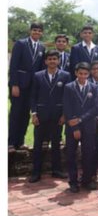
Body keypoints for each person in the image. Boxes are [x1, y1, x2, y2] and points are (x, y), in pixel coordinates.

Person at [28, 48, 67, 182]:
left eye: (55, 59)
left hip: (57, 116)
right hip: (41, 115)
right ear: (45, 61)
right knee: (38, 144)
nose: (52, 61)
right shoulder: (38, 76)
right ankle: (36, 172)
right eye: (49, 59)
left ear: (59, 60)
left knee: (56, 144)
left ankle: (56, 170)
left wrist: (64, 115)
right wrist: (34, 113)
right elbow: (33, 96)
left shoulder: (65, 76)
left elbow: (67, 98)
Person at [62, 63, 98, 192]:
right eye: (80, 74)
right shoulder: (69, 87)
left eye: (85, 74)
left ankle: (86, 180)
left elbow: (95, 108)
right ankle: (73, 181)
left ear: (89, 74)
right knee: (71, 154)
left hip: (89, 126)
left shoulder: (93, 87)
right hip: (72, 127)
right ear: (76, 73)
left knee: (88, 154)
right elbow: (67, 108)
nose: (83, 76)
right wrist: (75, 127)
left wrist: (81, 119)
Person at [9, 19, 45, 150]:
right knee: (16, 113)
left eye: (39, 31)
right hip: (19, 85)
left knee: (25, 114)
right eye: (34, 30)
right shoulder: (21, 43)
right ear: (30, 31)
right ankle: (11, 142)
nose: (37, 32)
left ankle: (20, 141)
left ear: (42, 33)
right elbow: (13, 65)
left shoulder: (42, 47)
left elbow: (41, 69)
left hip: (32, 87)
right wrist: (14, 84)